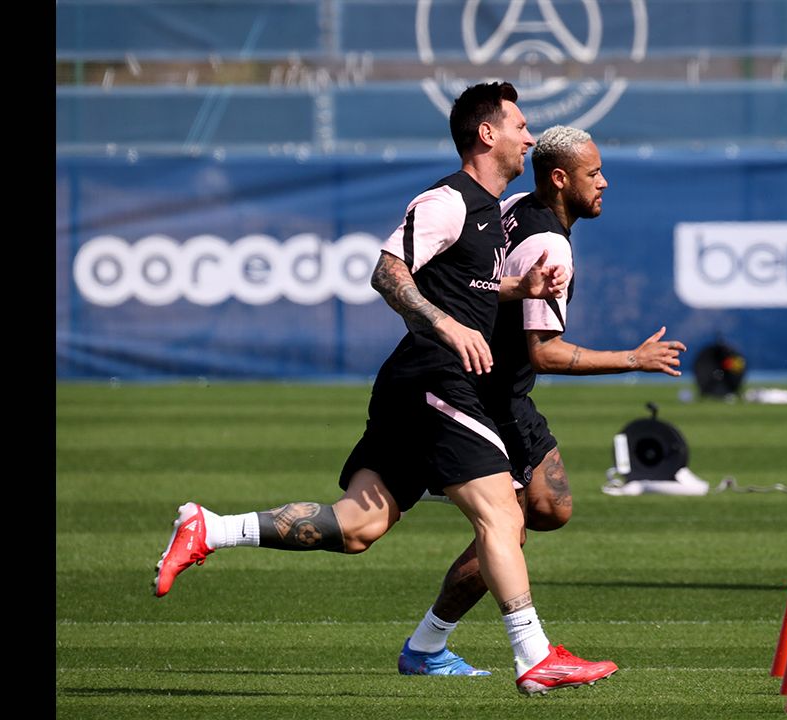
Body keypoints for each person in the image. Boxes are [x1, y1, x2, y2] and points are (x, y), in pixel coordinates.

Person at [151, 82, 620, 696]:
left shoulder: (491, 215)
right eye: (519, 124)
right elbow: (386, 271)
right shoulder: (449, 201)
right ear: (487, 134)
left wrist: (517, 291)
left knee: (354, 529)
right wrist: (447, 325)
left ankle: (209, 528)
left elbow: (468, 288)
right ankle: (534, 657)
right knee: (503, 513)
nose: (527, 136)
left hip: (417, 385)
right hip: (437, 379)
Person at [396, 125, 687, 677]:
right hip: (486, 395)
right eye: (593, 173)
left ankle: (429, 640)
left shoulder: (516, 206)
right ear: (560, 179)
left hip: (502, 391)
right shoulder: (549, 244)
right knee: (509, 524)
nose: (605, 183)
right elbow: (546, 353)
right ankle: (436, 642)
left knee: (550, 508)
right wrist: (634, 358)